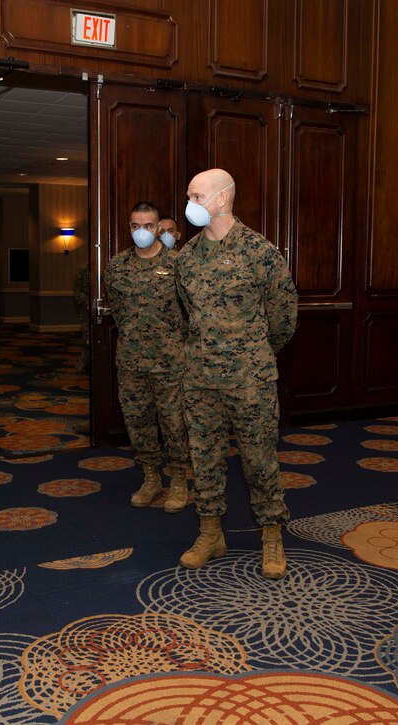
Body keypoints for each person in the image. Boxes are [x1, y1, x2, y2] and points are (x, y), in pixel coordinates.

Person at [174, 169, 298, 579]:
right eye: (190, 195)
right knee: (204, 458)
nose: (190, 202)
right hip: (200, 378)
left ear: (222, 199)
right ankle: (210, 533)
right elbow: (187, 314)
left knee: (259, 459)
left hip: (250, 378)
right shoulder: (187, 258)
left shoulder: (259, 252)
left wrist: (253, 354)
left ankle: (271, 536)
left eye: (197, 195)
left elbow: (283, 318)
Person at [104, 202, 191, 512]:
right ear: (130, 227)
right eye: (135, 226)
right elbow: (118, 310)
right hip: (131, 361)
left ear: (159, 227)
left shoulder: (180, 264)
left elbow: (190, 313)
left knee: (174, 424)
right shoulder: (116, 266)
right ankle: (151, 478)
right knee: (138, 423)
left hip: (171, 362)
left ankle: (179, 481)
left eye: (149, 226)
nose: (142, 231)